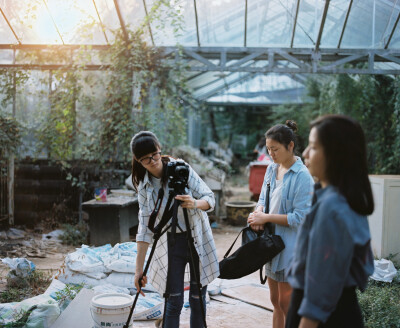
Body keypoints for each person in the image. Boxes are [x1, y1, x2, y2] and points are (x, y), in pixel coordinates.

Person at [286, 115, 375, 328]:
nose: (305, 153)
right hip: (340, 309)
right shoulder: (345, 197)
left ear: (337, 155)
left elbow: (321, 285)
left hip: (322, 317)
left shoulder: (332, 208)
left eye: (314, 147)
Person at [130, 131, 219, 328]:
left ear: (160, 150)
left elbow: (210, 199)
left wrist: (195, 203)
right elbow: (144, 227)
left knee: (198, 299)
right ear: (138, 160)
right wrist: (138, 270)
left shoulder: (181, 169)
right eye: (145, 159)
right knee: (173, 301)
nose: (152, 161)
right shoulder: (144, 186)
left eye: (154, 155)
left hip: (197, 237)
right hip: (171, 243)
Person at [247, 120, 314, 328]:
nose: (271, 154)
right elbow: (262, 200)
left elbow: (301, 217)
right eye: (268, 149)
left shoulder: (302, 176)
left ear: (290, 146)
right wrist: (258, 213)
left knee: (287, 303)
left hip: (290, 248)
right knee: (275, 301)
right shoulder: (271, 168)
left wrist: (266, 218)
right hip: (271, 244)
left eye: (275, 149)